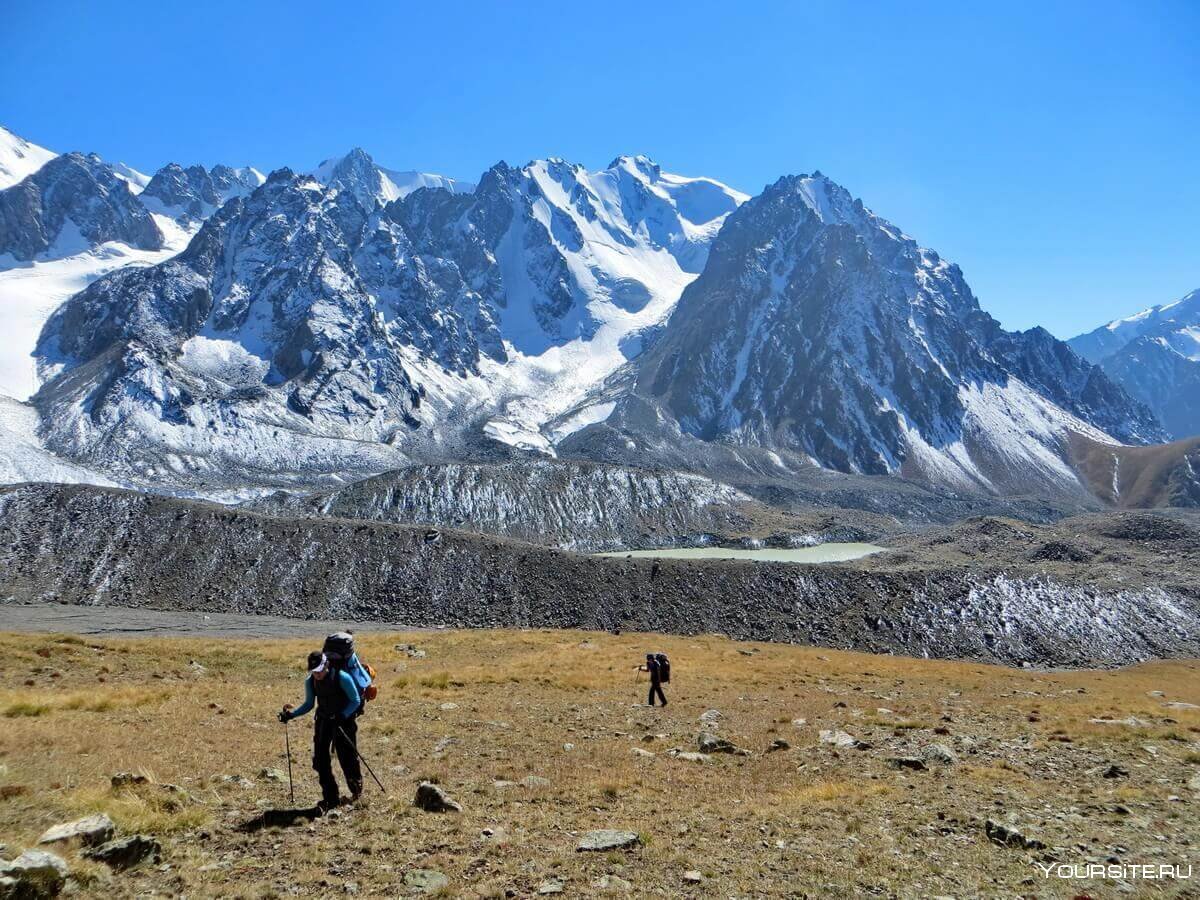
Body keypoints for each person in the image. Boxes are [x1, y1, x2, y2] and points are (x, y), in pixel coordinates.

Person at [279, 650, 363, 812]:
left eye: (318, 670)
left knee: (347, 757)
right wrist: (291, 715)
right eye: (313, 671)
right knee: (320, 760)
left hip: (343, 723)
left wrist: (343, 715)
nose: (316, 674)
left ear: (326, 665)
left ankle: (356, 790)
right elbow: (309, 704)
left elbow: (355, 700)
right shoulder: (311, 681)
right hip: (324, 721)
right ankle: (331, 799)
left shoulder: (342, 677)